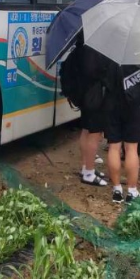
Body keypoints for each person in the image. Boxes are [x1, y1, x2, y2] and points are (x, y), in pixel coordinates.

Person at [59, 39, 108, 186]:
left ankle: (85, 167)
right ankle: (89, 173)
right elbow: (100, 75)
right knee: (94, 134)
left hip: (85, 98)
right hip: (95, 99)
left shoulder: (78, 51)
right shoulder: (94, 53)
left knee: (86, 131)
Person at [104, 63, 140, 204]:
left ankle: (117, 190)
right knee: (131, 149)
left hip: (111, 106)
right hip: (133, 107)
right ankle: (131, 191)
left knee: (114, 147)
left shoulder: (108, 56)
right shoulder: (139, 58)